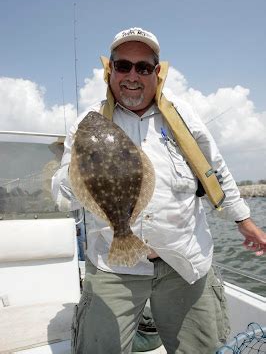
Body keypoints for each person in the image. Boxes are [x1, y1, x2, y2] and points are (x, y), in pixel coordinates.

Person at [51, 27, 266, 354]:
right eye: (123, 66)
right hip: (115, 265)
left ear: (158, 72)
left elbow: (215, 170)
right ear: (110, 71)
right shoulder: (88, 122)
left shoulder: (182, 115)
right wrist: (79, 171)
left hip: (184, 258)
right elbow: (62, 195)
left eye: (143, 67)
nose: (132, 75)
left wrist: (244, 220)